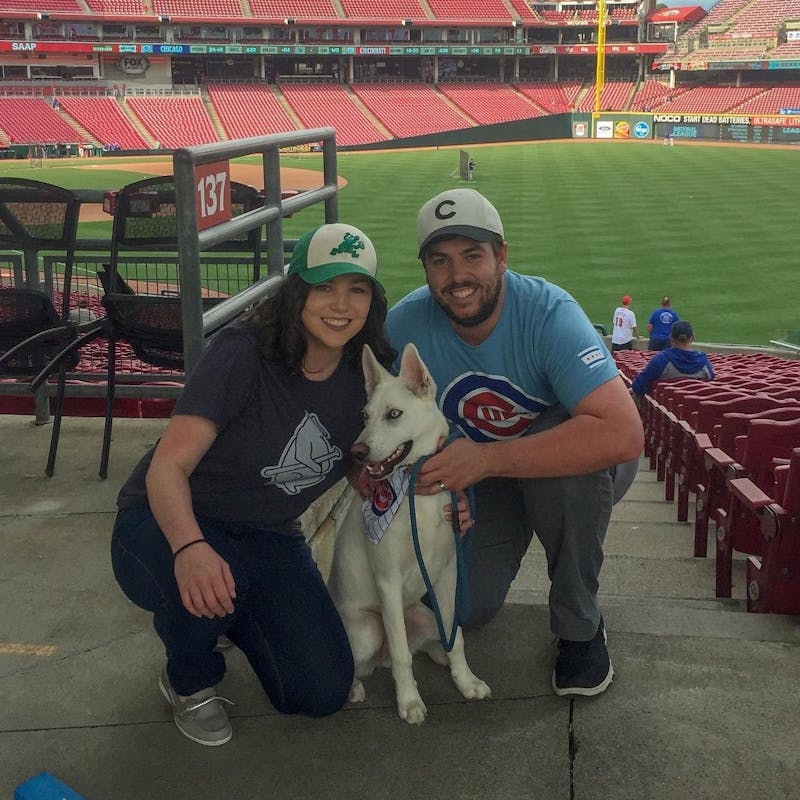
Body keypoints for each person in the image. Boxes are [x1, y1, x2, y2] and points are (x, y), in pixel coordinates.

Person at [110, 223, 397, 747]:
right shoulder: (244, 352)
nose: (340, 305)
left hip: (268, 533)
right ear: (297, 293)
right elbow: (167, 468)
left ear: (372, 300)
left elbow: (367, 453)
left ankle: (230, 612)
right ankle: (189, 680)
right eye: (324, 287)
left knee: (319, 692)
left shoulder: (371, 369)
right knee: (200, 581)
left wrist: (386, 478)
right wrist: (190, 547)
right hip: (168, 521)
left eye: (356, 289)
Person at [385, 188, 643, 698]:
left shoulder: (548, 313)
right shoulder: (405, 326)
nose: (457, 276)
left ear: (501, 256)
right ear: (426, 269)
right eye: (440, 261)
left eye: (472, 256)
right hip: (483, 476)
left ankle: (580, 627)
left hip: (563, 467)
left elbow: (623, 431)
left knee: (566, 476)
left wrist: (486, 458)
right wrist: (437, 483)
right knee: (464, 609)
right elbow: (388, 429)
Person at [631, 320, 714, 399]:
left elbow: (639, 386)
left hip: (666, 409)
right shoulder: (704, 362)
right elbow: (712, 386)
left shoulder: (661, 359)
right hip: (698, 411)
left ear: (670, 337)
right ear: (692, 338)